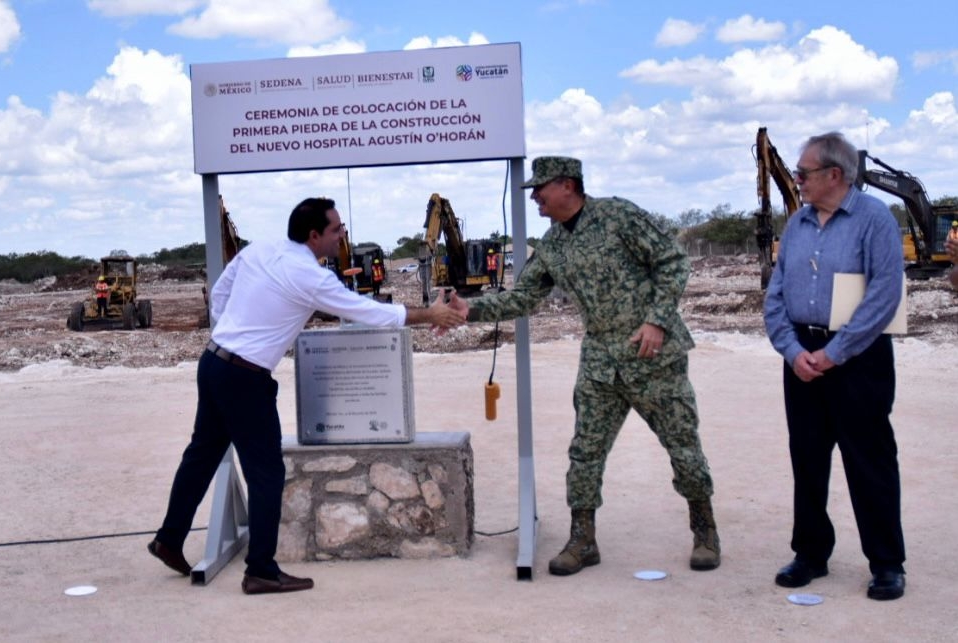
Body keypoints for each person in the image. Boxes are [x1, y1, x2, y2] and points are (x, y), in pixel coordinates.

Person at [148, 197, 465, 595]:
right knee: (266, 474)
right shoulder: (309, 276)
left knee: (201, 456)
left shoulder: (262, 249)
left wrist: (236, 329)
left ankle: (169, 539)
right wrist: (429, 315)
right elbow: (367, 311)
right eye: (336, 229)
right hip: (244, 376)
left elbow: (220, 294)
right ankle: (260, 569)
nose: (342, 234)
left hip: (214, 361)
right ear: (314, 236)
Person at [449, 156, 720, 575]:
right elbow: (523, 297)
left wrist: (657, 320)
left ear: (567, 186)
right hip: (599, 361)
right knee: (585, 452)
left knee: (682, 445)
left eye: (541, 188)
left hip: (653, 356)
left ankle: (704, 530)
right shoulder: (553, 243)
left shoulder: (618, 215)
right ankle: (583, 540)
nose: (535, 197)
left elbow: (672, 262)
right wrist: (470, 310)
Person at [763, 132, 907, 601]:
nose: (797, 180)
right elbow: (776, 295)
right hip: (802, 356)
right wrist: (792, 350)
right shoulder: (798, 223)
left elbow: (885, 294)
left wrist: (836, 352)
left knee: (870, 461)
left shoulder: (874, 219)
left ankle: (886, 564)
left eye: (803, 173)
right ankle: (810, 554)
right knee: (807, 460)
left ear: (834, 175)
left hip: (859, 357)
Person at [947, 222, 958, 289]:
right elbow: (948, 239)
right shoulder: (950, 233)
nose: (954, 227)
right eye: (954, 226)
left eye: (955, 226)